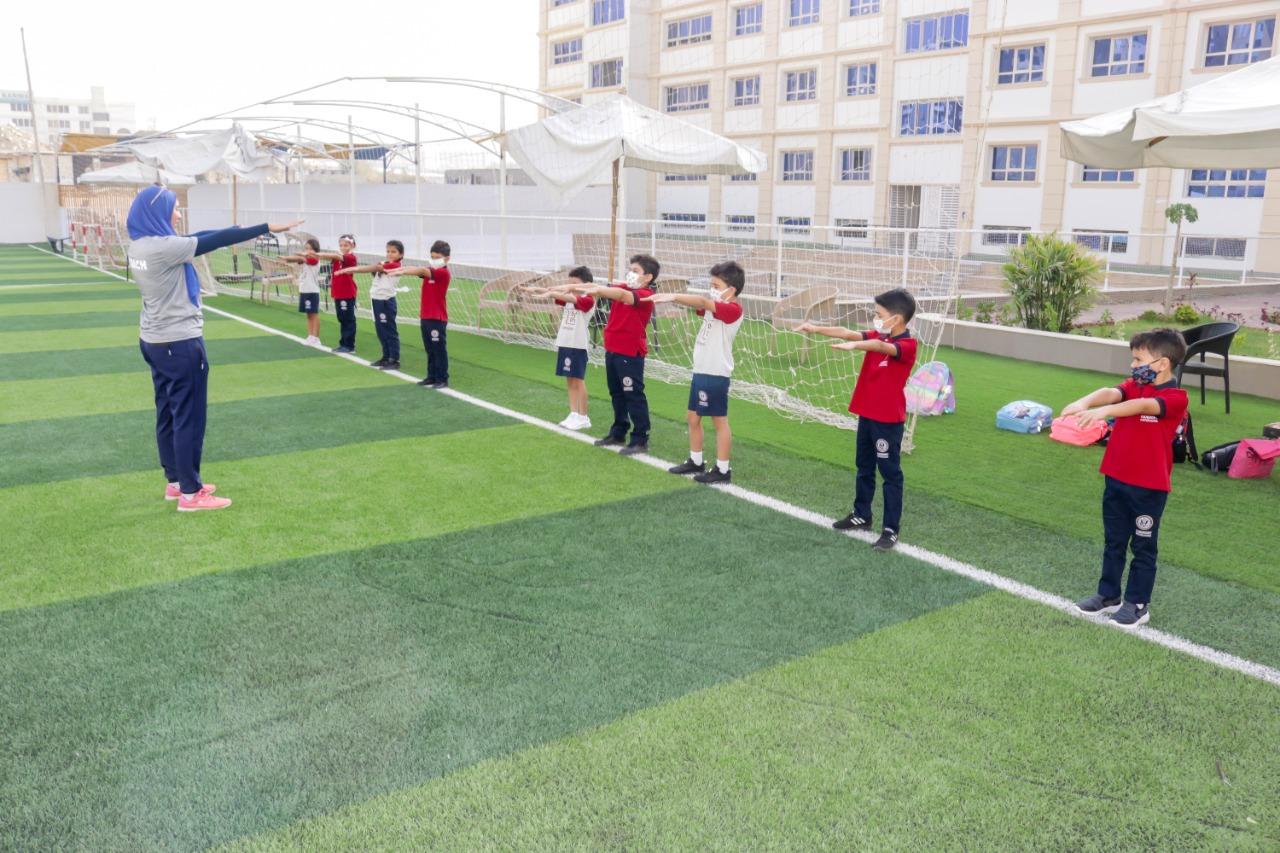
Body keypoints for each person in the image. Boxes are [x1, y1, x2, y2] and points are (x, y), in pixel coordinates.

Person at [126, 184, 300, 512]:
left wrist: (236, 228)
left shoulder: (140, 246)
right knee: (189, 417)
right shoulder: (164, 249)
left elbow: (201, 235)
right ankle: (191, 494)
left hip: (154, 340)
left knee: (167, 412)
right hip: (179, 342)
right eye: (174, 208)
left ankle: (177, 483)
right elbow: (211, 240)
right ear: (158, 212)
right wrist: (263, 228)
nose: (178, 214)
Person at [1064, 328, 1189, 628]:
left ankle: (1138, 604)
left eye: (1138, 359)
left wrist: (1104, 412)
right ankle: (1108, 596)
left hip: (1148, 488)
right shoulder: (1134, 385)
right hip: (1116, 478)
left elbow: (1144, 407)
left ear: (1162, 363)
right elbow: (1111, 392)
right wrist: (1085, 403)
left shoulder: (1175, 397)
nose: (1133, 366)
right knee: (1114, 541)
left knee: (1143, 548)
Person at [797, 288, 919, 551]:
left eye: (879, 314)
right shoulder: (878, 335)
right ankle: (861, 514)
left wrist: (856, 345)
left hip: (888, 421)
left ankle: (890, 529)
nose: (875, 319)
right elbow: (847, 331)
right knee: (864, 466)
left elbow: (877, 346)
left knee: (890, 473)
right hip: (867, 415)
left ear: (896, 319)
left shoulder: (907, 346)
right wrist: (814, 328)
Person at [647, 260, 745, 484]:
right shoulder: (713, 305)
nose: (712, 290)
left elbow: (702, 301)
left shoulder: (733, 310)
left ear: (731, 290)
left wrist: (672, 296)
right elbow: (700, 305)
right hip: (701, 370)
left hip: (715, 373)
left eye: (716, 286)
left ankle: (722, 470)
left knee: (719, 421)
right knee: (693, 417)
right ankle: (696, 460)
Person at [570, 254, 659, 456]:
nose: (630, 273)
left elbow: (620, 295)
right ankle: (618, 431)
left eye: (635, 271)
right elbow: (617, 291)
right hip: (613, 349)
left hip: (630, 352)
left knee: (633, 395)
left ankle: (640, 438)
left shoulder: (645, 295)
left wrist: (600, 289)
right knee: (616, 393)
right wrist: (576, 288)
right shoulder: (625, 288)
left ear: (648, 277)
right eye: (630, 269)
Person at [521, 266, 597, 430]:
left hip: (578, 345)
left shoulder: (588, 299)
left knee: (579, 380)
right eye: (569, 284)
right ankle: (573, 413)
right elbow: (557, 293)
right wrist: (538, 289)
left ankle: (584, 416)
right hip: (565, 342)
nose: (570, 287)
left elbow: (571, 299)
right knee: (569, 380)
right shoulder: (570, 296)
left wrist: (551, 293)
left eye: (574, 284)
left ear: (586, 284)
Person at [387, 240, 452, 387]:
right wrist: (401, 268)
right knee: (430, 349)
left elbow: (421, 271)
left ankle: (442, 378)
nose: (433, 260)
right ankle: (432, 376)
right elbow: (420, 269)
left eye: (437, 257)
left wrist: (400, 271)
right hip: (425, 316)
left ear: (447, 259)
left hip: (437, 318)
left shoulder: (442, 273)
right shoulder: (431, 270)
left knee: (439, 349)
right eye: (432, 257)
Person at [344, 240, 405, 370]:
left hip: (386, 300)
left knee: (389, 330)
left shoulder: (396, 265)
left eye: (393, 251)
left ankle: (394, 359)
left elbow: (372, 268)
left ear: (401, 254)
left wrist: (352, 269)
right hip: (376, 299)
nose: (390, 254)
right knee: (380, 330)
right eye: (388, 251)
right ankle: (386, 357)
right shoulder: (386, 263)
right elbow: (377, 271)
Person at [316, 234, 358, 353]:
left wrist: (318, 253)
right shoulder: (338, 258)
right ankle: (343, 343)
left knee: (348, 319)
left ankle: (349, 346)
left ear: (353, 246)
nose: (343, 247)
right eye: (341, 245)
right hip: (338, 293)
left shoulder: (350, 258)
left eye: (346, 245)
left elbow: (336, 256)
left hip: (347, 293)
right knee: (342, 318)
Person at [279, 238, 324, 346]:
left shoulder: (315, 259)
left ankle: (316, 338)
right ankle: (310, 336)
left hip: (312, 290)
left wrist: (298, 256)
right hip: (304, 290)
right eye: (306, 248)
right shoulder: (304, 258)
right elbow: (298, 259)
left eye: (310, 249)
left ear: (315, 250)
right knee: (308, 315)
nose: (307, 251)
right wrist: (286, 258)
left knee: (314, 314)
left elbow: (303, 259)